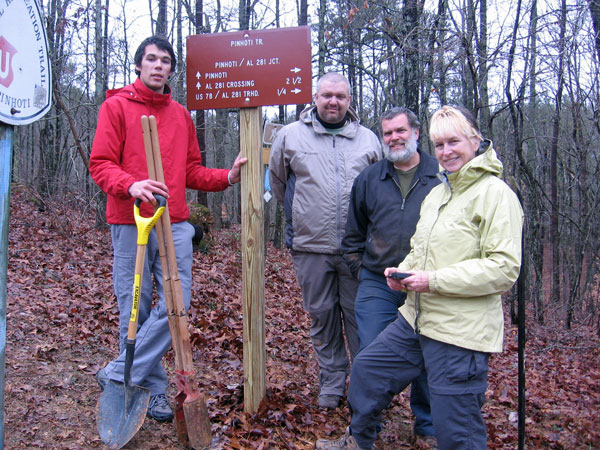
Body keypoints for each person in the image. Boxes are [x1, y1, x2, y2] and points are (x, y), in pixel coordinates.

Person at [315, 105, 523, 450]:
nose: (446, 151)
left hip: (460, 330)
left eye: (453, 142)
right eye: (439, 145)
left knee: (455, 426)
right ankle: (359, 441)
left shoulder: (495, 194)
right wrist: (403, 272)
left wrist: (432, 280)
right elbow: (420, 247)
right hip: (416, 318)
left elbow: (503, 269)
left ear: (474, 140)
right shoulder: (441, 192)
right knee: (368, 371)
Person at [89, 36, 247, 422]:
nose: (158, 66)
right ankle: (154, 389)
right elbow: (101, 163)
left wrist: (227, 176)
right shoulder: (116, 107)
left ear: (171, 69)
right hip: (132, 221)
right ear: (139, 65)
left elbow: (191, 170)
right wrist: (132, 185)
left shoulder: (180, 115)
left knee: (178, 302)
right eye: (151, 59)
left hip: (174, 220)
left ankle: (120, 371)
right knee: (135, 307)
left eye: (165, 61)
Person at [268, 72, 381, 410]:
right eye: (327, 95)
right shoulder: (290, 136)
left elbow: (380, 191)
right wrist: (299, 218)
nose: (334, 102)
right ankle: (331, 384)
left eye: (341, 96)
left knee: (360, 318)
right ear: (315, 98)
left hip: (357, 251)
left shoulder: (369, 140)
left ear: (350, 100)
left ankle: (366, 387)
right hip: (309, 247)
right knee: (322, 316)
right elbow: (278, 181)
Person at [342, 107, 439, 442]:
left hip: (428, 283)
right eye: (388, 133)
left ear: (416, 132)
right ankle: (364, 428)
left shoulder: (439, 175)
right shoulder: (370, 179)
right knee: (370, 353)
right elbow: (352, 235)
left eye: (401, 131)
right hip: (377, 282)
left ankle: (426, 426)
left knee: (429, 351)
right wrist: (361, 269)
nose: (395, 138)